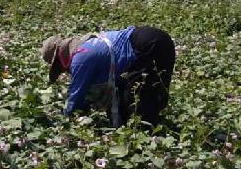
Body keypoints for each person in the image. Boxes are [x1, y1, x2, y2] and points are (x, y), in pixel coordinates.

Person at [40, 26, 175, 126]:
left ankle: (147, 137)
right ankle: (155, 125)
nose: (64, 71)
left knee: (136, 101)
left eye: (59, 67)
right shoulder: (88, 46)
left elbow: (76, 95)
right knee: (150, 90)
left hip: (148, 44)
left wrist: (64, 120)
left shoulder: (80, 58)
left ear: (60, 58)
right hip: (157, 38)